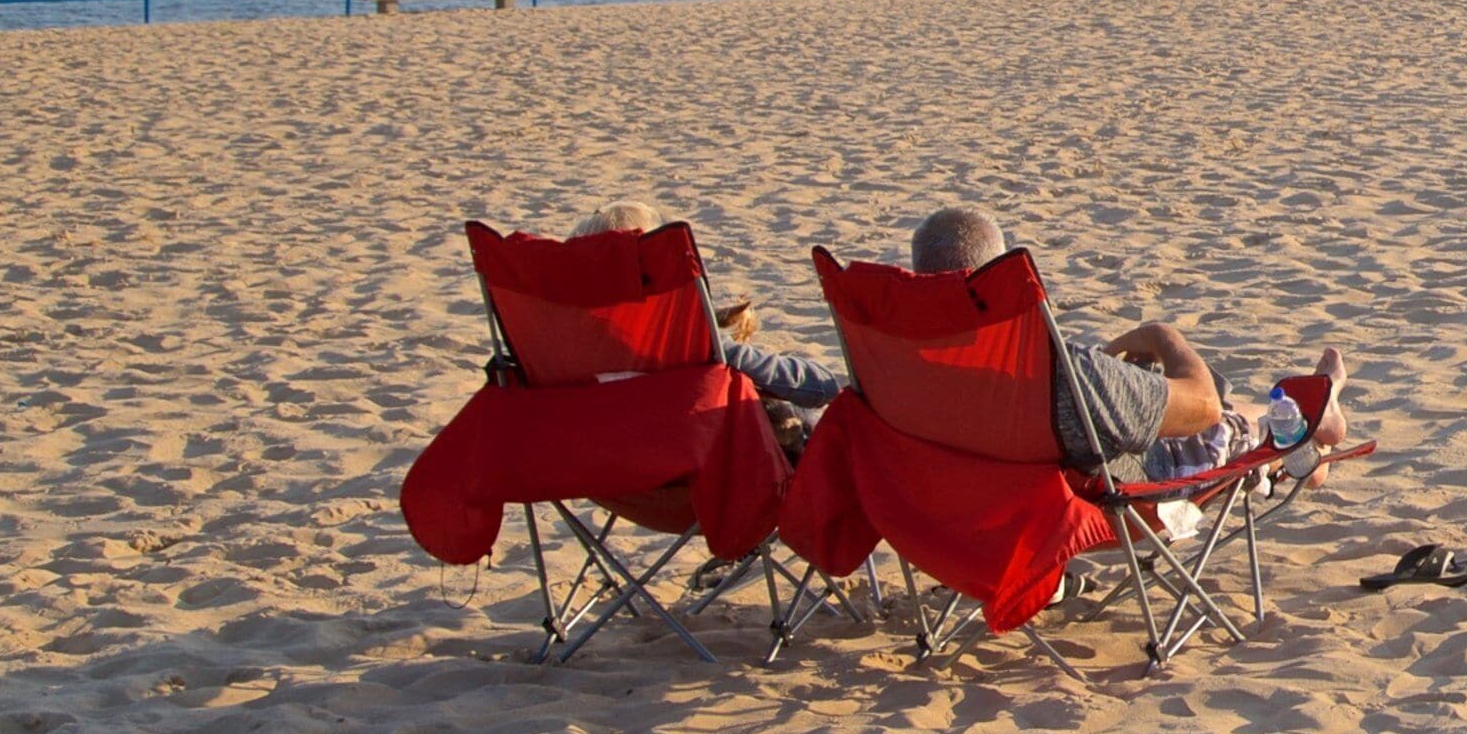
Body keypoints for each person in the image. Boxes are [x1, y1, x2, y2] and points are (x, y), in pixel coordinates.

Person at [905, 204, 1352, 478]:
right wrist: (1162, 337)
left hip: (977, 517)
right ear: (998, 283)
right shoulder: (1059, 372)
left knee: (1219, 419)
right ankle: (1314, 420)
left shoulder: (897, 374)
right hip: (1115, 494)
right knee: (1229, 423)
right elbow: (1203, 406)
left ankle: (1312, 443)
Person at [572, 202, 846, 415]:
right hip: (681, 454)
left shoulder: (559, 348)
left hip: (594, 455)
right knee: (796, 412)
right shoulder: (683, 336)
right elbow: (819, 388)